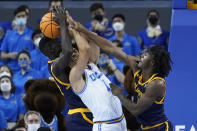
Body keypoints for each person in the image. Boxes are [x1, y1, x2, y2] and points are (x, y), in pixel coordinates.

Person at [68, 18, 173, 131]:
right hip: (144, 128)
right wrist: (83, 30)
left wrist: (119, 94)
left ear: (152, 62)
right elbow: (111, 48)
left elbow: (136, 110)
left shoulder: (157, 84)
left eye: (146, 55)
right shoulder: (136, 65)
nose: (141, 55)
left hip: (159, 128)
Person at [67, 13, 127, 131]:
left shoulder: (92, 65)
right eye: (70, 54)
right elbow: (85, 49)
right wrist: (73, 30)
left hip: (120, 120)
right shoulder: (75, 75)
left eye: (75, 50)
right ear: (67, 63)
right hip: (105, 125)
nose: (74, 53)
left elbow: (93, 37)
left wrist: (75, 24)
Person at [39, 6, 93, 131]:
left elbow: (88, 40)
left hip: (90, 111)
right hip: (79, 115)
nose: (60, 42)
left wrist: (69, 23)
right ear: (51, 49)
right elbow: (67, 51)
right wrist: (62, 24)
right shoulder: (54, 66)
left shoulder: (68, 58)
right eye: (56, 41)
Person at [0, 5, 34, 73]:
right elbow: (2, 55)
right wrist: (9, 55)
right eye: (18, 16)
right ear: (15, 18)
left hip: (28, 70)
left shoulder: (32, 34)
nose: (21, 18)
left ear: (27, 17)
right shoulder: (8, 35)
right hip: (12, 70)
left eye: (23, 16)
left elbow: (35, 53)